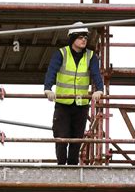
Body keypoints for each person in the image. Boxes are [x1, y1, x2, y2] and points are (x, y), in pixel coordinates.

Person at [44, 21, 104, 165]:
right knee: (62, 137)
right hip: (63, 103)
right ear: (72, 38)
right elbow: (51, 71)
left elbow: (96, 74)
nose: (84, 39)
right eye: (80, 37)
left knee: (76, 138)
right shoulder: (61, 53)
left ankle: (72, 167)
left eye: (85, 37)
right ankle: (61, 166)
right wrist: (48, 88)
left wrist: (100, 90)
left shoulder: (90, 56)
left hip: (81, 104)